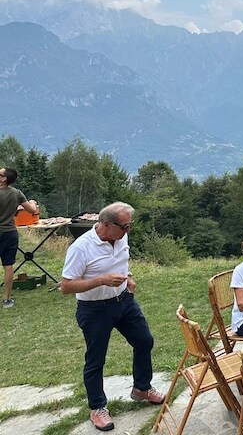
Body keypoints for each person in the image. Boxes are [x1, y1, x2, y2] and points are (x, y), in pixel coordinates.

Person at [61, 202, 165, 432]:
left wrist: (129, 277)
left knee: (144, 341)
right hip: (94, 309)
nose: (129, 230)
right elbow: (66, 286)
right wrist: (101, 280)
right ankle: (97, 407)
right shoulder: (81, 248)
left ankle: (142, 388)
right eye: (125, 226)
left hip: (124, 301)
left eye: (129, 225)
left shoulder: (121, 237)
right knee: (96, 359)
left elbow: (120, 262)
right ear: (106, 224)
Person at [0, 167, 39, 309]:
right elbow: (32, 210)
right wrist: (33, 202)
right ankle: (7, 299)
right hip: (9, 233)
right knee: (8, 266)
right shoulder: (17, 193)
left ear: (4, 179)